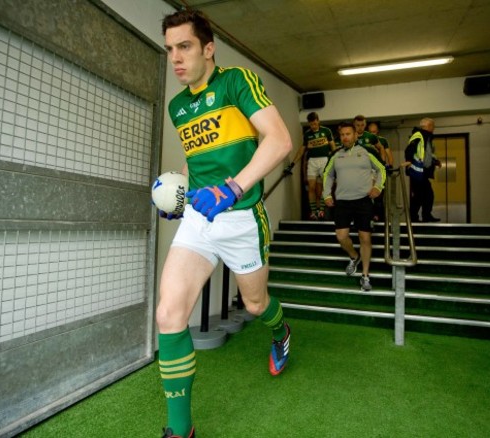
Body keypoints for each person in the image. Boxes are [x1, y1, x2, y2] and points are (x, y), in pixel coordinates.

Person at [158, 10, 293, 438]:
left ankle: (281, 329)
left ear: (208, 48)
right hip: (200, 220)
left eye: (185, 47)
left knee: (254, 305)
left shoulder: (237, 82)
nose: (175, 58)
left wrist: (232, 189)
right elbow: (196, 158)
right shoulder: (178, 106)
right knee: (169, 313)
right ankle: (181, 431)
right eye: (169, 50)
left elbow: (280, 140)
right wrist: (180, 197)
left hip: (241, 217)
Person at [322, 122, 386, 292]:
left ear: (355, 135)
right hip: (342, 201)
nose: (345, 137)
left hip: (363, 201)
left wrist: (378, 187)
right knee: (342, 237)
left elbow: (381, 169)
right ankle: (354, 256)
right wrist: (327, 194)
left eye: (348, 134)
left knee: (365, 238)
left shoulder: (367, 151)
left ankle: (365, 276)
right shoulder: (335, 155)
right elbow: (328, 175)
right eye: (342, 134)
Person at [287, 112, 336, 220]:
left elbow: (333, 147)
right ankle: (314, 212)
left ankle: (321, 210)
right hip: (312, 161)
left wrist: (335, 161)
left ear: (318, 121)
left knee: (324, 186)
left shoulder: (326, 131)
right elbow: (302, 150)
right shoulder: (307, 134)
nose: (313, 126)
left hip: (324, 160)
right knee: (311, 188)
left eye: (315, 123)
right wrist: (293, 163)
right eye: (311, 124)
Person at [403, 117, 442, 223]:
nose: (434, 128)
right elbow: (409, 150)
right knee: (425, 195)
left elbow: (427, 154)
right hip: (417, 171)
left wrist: (435, 161)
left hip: (422, 171)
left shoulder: (427, 137)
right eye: (433, 126)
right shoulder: (419, 135)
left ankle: (421, 216)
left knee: (423, 195)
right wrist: (409, 161)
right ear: (428, 126)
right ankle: (418, 217)